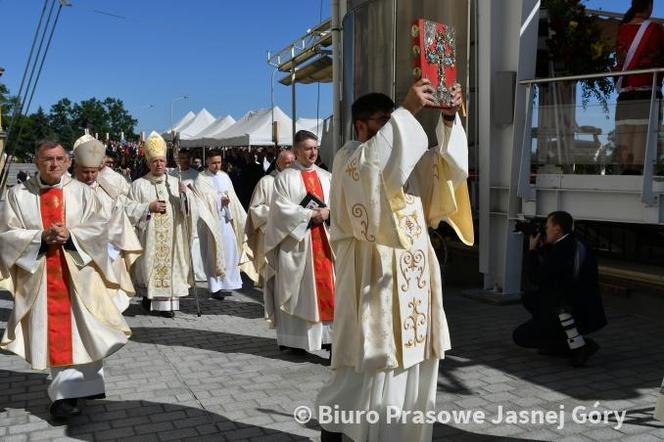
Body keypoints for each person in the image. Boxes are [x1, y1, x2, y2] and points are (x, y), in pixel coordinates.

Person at [315, 80, 474, 442]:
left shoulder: (405, 162)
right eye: (383, 121)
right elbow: (373, 168)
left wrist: (448, 120)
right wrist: (406, 111)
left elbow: (444, 168)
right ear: (361, 125)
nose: (392, 128)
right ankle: (340, 434)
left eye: (392, 121)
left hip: (414, 288)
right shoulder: (348, 159)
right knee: (363, 371)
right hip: (372, 288)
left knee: (413, 370)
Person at [0, 139, 131, 419]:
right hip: (41, 277)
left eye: (60, 158)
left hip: (80, 275)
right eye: (48, 159)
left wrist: (71, 236)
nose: (55, 164)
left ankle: (87, 386)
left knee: (86, 330)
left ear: (68, 161)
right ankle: (63, 398)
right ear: (36, 161)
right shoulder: (18, 195)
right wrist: (40, 237)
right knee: (57, 333)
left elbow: (99, 228)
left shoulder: (83, 193)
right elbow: (7, 235)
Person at [263, 133, 334, 353]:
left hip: (325, 244)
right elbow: (279, 212)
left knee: (332, 291)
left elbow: (338, 204)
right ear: (296, 151)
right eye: (307, 149)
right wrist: (308, 215)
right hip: (298, 245)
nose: (313, 152)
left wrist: (329, 212)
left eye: (315, 148)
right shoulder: (285, 178)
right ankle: (297, 342)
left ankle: (331, 341)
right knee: (299, 294)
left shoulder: (327, 176)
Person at [513, 211, 607, 367]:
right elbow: (557, 271)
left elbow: (536, 277)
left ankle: (579, 346)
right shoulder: (574, 242)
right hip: (579, 304)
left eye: (547, 227)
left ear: (557, 229)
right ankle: (559, 340)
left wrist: (531, 250)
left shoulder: (562, 249)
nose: (545, 230)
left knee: (520, 336)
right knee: (529, 299)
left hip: (568, 308)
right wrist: (544, 249)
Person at [73, 136, 143, 312]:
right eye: (85, 172)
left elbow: (119, 211)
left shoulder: (106, 186)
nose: (89, 176)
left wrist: (146, 208)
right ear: (77, 168)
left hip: (108, 250)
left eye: (93, 172)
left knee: (109, 295)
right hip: (77, 251)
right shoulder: (68, 190)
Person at [128, 132, 192, 318]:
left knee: (170, 268)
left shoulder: (174, 183)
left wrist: (184, 196)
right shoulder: (138, 185)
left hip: (172, 236)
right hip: (148, 236)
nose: (159, 164)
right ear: (148, 163)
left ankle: (167, 306)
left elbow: (188, 211)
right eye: (155, 161)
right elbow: (128, 208)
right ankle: (149, 299)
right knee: (149, 269)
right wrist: (148, 207)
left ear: (166, 162)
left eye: (162, 161)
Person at [194, 150, 255, 298]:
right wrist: (219, 201)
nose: (216, 165)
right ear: (207, 162)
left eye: (219, 162)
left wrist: (228, 203)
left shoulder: (225, 176)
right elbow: (200, 201)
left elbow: (232, 196)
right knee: (212, 253)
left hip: (226, 219)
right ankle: (215, 287)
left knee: (230, 251)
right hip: (211, 222)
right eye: (214, 162)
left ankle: (226, 283)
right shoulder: (201, 179)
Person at [614, 0, 664, 174]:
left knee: (625, 146)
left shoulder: (622, 29)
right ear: (649, 6)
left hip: (625, 95)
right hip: (647, 93)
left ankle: (626, 181)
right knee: (642, 148)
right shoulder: (654, 29)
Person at [245, 149, 295, 287]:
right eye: (286, 163)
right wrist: (276, 213)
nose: (290, 166)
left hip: (292, 236)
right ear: (278, 163)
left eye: (292, 162)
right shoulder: (266, 182)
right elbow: (255, 209)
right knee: (271, 280)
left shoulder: (299, 181)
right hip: (271, 235)